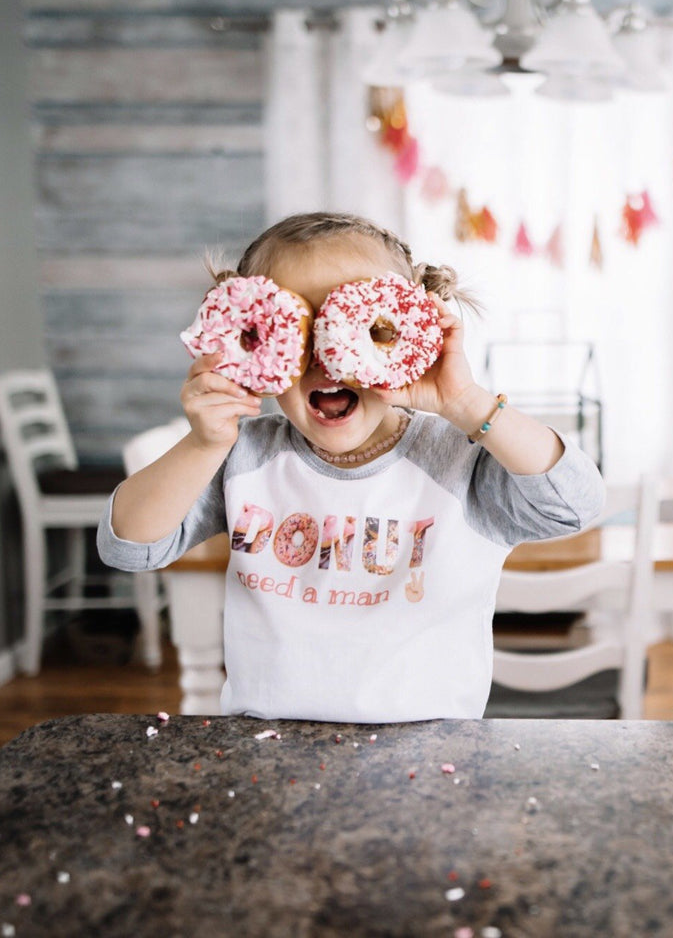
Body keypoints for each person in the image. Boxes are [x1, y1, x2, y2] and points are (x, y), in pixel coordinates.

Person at [97, 211, 604, 722]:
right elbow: (129, 547)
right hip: (267, 754)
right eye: (293, 329)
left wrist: (468, 403)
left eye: (357, 328)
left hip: (431, 754)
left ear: (409, 330)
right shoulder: (243, 456)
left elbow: (575, 505)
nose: (328, 357)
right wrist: (202, 444)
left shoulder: (457, 460)